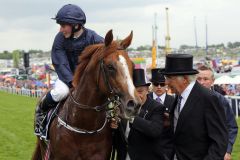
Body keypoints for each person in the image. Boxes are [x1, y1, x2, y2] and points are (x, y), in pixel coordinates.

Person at [34, 4, 104, 135]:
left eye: (63, 26)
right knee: (60, 92)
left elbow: (107, 49)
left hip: (87, 81)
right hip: (66, 78)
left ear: (75, 25)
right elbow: (60, 63)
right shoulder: (59, 39)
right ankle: (41, 112)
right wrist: (72, 81)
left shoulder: (93, 37)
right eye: (60, 26)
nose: (61, 30)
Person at [162, 54, 228, 160]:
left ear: (184, 79)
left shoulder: (208, 98)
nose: (166, 82)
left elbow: (219, 141)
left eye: (169, 78)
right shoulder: (178, 97)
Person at [113, 69, 166, 160]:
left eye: (140, 91)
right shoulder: (122, 106)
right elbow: (118, 137)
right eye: (133, 92)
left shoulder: (157, 107)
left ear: (147, 90)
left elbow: (154, 130)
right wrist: (114, 126)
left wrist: (132, 118)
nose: (136, 96)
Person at [197, 65, 238, 160]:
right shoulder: (187, 99)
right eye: (199, 79)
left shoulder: (221, 100)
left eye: (205, 79)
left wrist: (227, 150)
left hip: (216, 152)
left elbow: (231, 126)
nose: (202, 82)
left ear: (212, 81)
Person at [149, 68, 175, 159]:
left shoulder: (173, 101)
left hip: (167, 147)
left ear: (166, 85)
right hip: (148, 147)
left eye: (162, 84)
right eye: (156, 84)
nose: (159, 87)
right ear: (152, 85)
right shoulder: (145, 99)